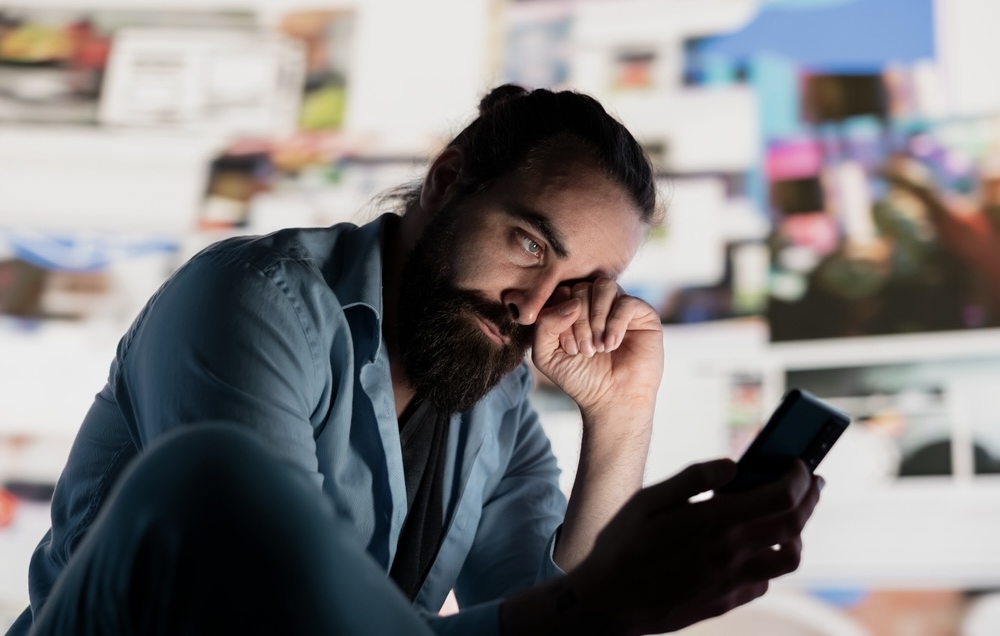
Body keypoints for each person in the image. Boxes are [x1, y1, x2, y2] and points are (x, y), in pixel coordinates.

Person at [9, 85, 822, 636]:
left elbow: (540, 608)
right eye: (528, 244)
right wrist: (592, 604)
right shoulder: (254, 300)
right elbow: (267, 611)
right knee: (214, 471)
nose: (533, 304)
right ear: (446, 181)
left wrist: (620, 415)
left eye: (580, 284)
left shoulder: (493, 400)